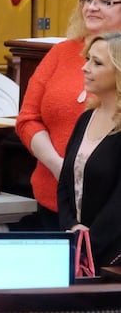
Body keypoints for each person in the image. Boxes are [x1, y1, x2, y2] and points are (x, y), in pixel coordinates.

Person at [16, 0, 121, 230]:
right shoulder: (61, 53)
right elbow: (28, 118)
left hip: (108, 210)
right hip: (54, 199)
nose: (92, 7)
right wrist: (59, 167)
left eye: (104, 1)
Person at [58, 32, 121, 268]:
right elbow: (65, 183)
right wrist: (72, 228)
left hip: (111, 256)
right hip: (78, 249)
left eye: (97, 63)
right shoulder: (86, 118)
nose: (85, 68)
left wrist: (88, 244)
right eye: (87, 60)